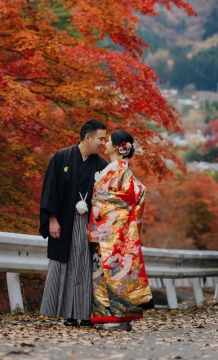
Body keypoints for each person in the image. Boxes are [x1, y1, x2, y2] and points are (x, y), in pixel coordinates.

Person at [39, 120, 108, 327]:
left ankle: (86, 314)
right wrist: (52, 220)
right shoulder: (62, 157)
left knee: (86, 267)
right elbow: (50, 189)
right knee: (66, 266)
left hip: (90, 225)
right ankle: (68, 314)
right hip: (65, 221)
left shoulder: (102, 165)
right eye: (100, 139)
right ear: (88, 137)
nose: (103, 143)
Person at [87, 130, 153, 331]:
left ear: (117, 147)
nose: (105, 143)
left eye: (108, 141)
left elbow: (129, 197)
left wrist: (96, 202)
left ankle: (117, 317)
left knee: (112, 272)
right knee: (108, 272)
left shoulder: (120, 171)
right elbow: (138, 193)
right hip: (108, 230)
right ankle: (110, 317)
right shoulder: (114, 169)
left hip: (110, 230)